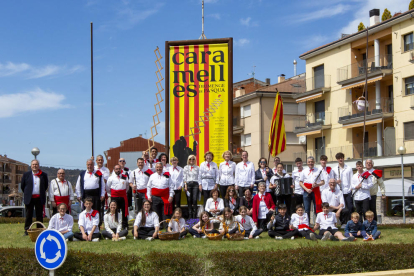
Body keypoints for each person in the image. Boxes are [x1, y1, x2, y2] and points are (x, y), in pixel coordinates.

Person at [21, 160, 48, 236]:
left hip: (39, 198)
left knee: (39, 215)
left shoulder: (44, 175)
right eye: (33, 164)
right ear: (31, 166)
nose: (34, 166)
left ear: (38, 165)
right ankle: (27, 230)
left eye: (36, 164)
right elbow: (22, 186)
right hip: (29, 198)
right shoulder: (26, 175)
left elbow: (45, 186)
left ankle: (39, 230)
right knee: (28, 215)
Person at [76, 159, 105, 226]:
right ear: (86, 165)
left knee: (96, 211)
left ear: (93, 165)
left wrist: (102, 194)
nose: (89, 166)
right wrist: (78, 195)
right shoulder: (82, 174)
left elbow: (103, 185)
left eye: (91, 164)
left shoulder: (98, 173)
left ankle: (96, 226)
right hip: (86, 195)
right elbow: (78, 185)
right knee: (86, 211)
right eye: (88, 165)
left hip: (96, 195)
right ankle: (85, 226)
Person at [106, 165, 129, 230]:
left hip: (123, 196)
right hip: (114, 196)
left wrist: (123, 192)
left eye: (119, 169)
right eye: (116, 169)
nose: (118, 170)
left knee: (124, 211)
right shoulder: (111, 178)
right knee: (115, 210)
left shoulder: (125, 177)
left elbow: (127, 186)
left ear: (121, 169)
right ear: (114, 169)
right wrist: (112, 193)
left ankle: (125, 224)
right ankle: (115, 224)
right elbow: (108, 187)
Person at [333, 152, 354, 220]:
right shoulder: (334, 169)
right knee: (341, 207)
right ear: (337, 159)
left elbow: (351, 179)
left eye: (341, 158)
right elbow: (333, 180)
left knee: (350, 207)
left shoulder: (349, 168)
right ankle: (343, 222)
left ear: (343, 158)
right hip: (339, 191)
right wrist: (336, 181)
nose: (340, 159)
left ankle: (351, 221)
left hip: (347, 191)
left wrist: (351, 189)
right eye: (339, 158)